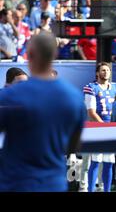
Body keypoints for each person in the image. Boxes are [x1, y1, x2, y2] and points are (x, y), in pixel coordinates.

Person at [0, 33, 85, 191]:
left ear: (30, 55)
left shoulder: (11, 95)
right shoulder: (74, 98)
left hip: (16, 183)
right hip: (54, 183)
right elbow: (73, 146)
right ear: (55, 54)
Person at [83, 62, 116, 192]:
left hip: (112, 127)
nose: (106, 73)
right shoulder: (91, 87)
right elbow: (91, 112)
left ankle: (107, 190)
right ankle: (91, 189)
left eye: (108, 70)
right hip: (98, 128)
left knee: (109, 161)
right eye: (103, 70)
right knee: (96, 160)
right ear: (97, 73)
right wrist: (104, 127)